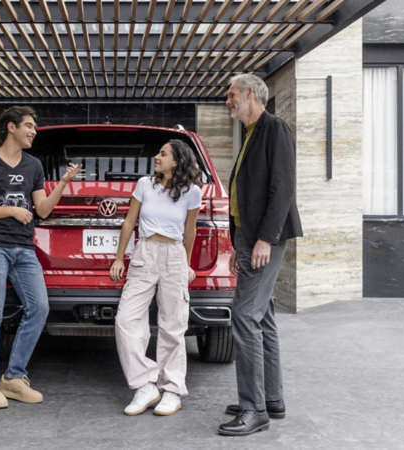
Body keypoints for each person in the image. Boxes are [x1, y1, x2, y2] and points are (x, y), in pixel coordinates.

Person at [0, 106, 81, 409]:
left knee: (39, 308)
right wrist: (11, 210)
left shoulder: (33, 165)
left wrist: (64, 183)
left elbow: (42, 210)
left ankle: (14, 378)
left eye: (34, 125)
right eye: (29, 125)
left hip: (24, 248)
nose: (33, 130)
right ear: (11, 127)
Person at [217, 74, 303, 436]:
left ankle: (254, 410)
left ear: (250, 93)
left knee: (244, 316)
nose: (228, 101)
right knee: (262, 315)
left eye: (231, 94)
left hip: (266, 238)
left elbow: (282, 188)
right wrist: (240, 243)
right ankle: (271, 399)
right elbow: (244, 196)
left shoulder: (275, 128)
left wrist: (265, 239)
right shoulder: (250, 134)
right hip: (250, 239)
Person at [111, 139, 203, 417]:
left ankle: (172, 390)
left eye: (163, 153)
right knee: (126, 320)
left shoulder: (192, 191)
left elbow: (190, 232)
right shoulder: (144, 184)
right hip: (145, 254)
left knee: (173, 325)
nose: (157, 156)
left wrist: (185, 264)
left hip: (174, 255)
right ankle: (145, 385)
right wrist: (119, 257)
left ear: (176, 161)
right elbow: (129, 221)